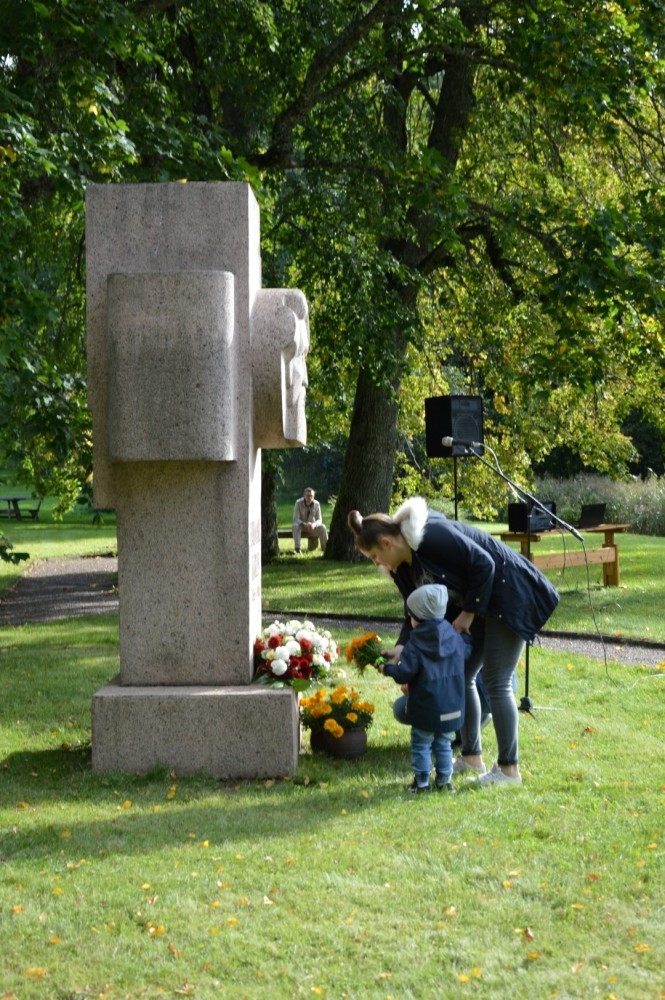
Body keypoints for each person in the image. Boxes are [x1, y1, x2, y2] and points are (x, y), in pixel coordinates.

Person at [348, 496, 559, 786]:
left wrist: (468, 614)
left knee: (496, 680)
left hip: (510, 597)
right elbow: (413, 609)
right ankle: (472, 758)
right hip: (484, 606)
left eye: (374, 557)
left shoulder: (431, 535)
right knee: (462, 675)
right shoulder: (403, 568)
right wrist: (402, 646)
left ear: (386, 542)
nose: (377, 564)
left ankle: (509, 770)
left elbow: (484, 564)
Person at [376, 583, 471, 793]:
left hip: (426, 708)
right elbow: (466, 653)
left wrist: (387, 669)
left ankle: (422, 782)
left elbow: (404, 673)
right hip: (451, 707)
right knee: (444, 744)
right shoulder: (455, 637)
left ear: (417, 617)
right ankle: (445, 782)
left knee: (422, 743)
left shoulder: (416, 643)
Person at [292, 487, 328, 554]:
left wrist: (314, 525)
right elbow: (296, 519)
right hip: (302, 527)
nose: (309, 497)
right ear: (304, 496)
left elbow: (319, 519)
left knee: (323, 527)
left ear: (313, 497)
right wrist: (304, 524)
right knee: (295, 526)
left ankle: (326, 548)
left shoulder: (317, 504)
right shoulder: (298, 503)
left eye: (311, 496)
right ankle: (297, 549)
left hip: (312, 527)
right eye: (307, 496)